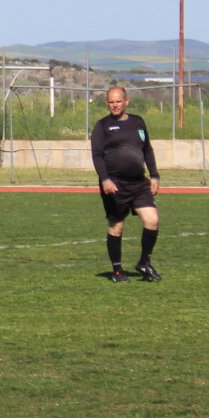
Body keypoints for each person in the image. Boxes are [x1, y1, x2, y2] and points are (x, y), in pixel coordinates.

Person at [89, 85, 162, 283]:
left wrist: (155, 176)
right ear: (107, 103)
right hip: (115, 185)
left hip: (139, 183)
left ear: (126, 101)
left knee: (152, 220)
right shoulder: (102, 126)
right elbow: (97, 155)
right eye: (111, 102)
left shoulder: (138, 122)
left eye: (118, 101)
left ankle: (144, 262)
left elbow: (147, 149)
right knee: (117, 226)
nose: (115, 105)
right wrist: (105, 179)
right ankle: (117, 270)